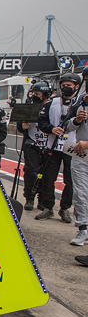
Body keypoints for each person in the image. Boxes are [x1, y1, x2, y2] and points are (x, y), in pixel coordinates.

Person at [35, 73, 81, 222]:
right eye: (63, 85)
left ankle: (65, 208)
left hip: (72, 147)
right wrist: (51, 129)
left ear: (76, 86)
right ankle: (48, 207)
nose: (66, 87)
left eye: (69, 85)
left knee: (70, 180)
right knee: (48, 178)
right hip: (52, 146)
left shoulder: (80, 104)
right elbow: (41, 122)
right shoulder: (51, 103)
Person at [18, 81, 52, 210]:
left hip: (48, 145)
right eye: (34, 93)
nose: (35, 96)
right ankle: (29, 198)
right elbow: (20, 126)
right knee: (31, 172)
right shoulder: (29, 106)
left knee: (45, 175)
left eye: (38, 94)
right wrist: (23, 125)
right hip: (31, 144)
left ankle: (43, 200)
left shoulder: (52, 106)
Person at [64, 90, 88, 245]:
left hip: (84, 147)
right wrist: (77, 120)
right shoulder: (79, 102)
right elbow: (67, 125)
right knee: (80, 193)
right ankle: (83, 229)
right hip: (80, 155)